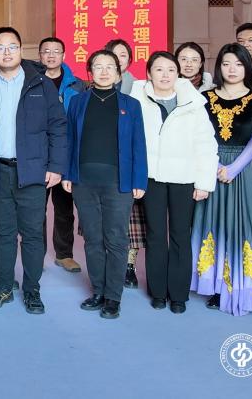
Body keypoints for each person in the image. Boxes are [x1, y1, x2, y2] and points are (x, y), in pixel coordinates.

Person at [0, 27, 67, 314]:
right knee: (3, 232)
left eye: (12, 47)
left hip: (33, 171)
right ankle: (4, 286)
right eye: (0, 47)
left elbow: (58, 127)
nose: (6, 53)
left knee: (32, 234)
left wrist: (56, 166)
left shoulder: (41, 83)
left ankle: (32, 289)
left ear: (20, 50)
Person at [191, 43, 252, 315]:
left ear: (247, 68)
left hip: (244, 172)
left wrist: (232, 169)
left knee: (243, 225)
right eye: (227, 63)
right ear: (219, 67)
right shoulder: (204, 98)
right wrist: (216, 165)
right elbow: (199, 136)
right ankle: (216, 286)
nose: (232, 69)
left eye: (239, 64)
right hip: (210, 166)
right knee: (214, 224)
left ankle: (243, 285)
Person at [128, 52, 217, 314]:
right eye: (159, 69)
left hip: (184, 178)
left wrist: (204, 182)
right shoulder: (137, 101)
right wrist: (135, 178)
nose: (165, 75)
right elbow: (131, 142)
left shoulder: (193, 102)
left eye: (170, 69)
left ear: (178, 74)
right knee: (155, 234)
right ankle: (158, 291)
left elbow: (205, 144)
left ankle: (178, 294)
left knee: (180, 234)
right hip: (151, 178)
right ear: (149, 74)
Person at [62, 49, 147, 319]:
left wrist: (139, 180)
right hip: (84, 182)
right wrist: (67, 174)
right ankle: (98, 291)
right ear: (90, 72)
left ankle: (113, 296)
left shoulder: (130, 105)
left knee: (116, 239)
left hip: (118, 183)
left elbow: (138, 144)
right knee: (93, 239)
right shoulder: (78, 102)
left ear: (118, 72)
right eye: (98, 66)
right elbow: (69, 140)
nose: (104, 71)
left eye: (110, 66)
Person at [37, 36, 85, 273]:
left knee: (64, 207)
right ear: (40, 56)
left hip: (66, 152)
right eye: (46, 51)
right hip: (38, 153)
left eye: (56, 51)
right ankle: (36, 254)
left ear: (64, 56)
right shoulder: (31, 81)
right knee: (36, 208)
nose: (51, 55)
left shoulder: (78, 86)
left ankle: (64, 254)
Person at [106, 38, 144, 288]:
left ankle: (129, 266)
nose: (118, 59)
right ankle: (108, 263)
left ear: (129, 60)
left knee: (131, 217)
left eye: (122, 55)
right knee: (106, 216)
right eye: (113, 54)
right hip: (105, 161)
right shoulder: (94, 89)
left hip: (129, 160)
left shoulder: (140, 88)